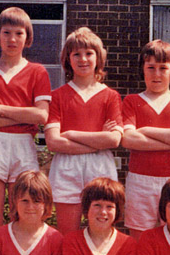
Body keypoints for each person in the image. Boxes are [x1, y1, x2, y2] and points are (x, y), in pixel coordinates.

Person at [0, 7, 51, 235]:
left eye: (18, 33)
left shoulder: (38, 72)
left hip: (24, 146)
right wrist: (22, 116)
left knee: (23, 218)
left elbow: (41, 116)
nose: (12, 39)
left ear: (28, 38)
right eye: (6, 32)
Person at [45, 27, 123, 235]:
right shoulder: (58, 96)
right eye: (76, 54)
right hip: (66, 167)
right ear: (67, 59)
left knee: (101, 231)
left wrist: (71, 134)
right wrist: (98, 141)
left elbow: (114, 140)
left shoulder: (110, 96)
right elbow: (53, 142)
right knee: (67, 233)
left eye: (89, 53)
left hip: (100, 166)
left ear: (98, 58)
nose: (83, 59)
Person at [121, 40, 170, 240]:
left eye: (163, 68)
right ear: (142, 70)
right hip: (140, 179)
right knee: (140, 238)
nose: (156, 74)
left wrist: (145, 130)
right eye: (151, 67)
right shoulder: (131, 101)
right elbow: (128, 139)